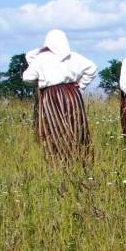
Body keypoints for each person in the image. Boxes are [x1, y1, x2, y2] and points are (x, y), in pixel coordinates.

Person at [23, 29, 97, 161]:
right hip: (72, 94)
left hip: (51, 95)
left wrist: (38, 82)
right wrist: (81, 85)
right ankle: (79, 156)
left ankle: (59, 158)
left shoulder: (41, 58)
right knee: (75, 124)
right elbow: (91, 68)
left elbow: (28, 78)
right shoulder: (73, 56)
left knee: (54, 126)